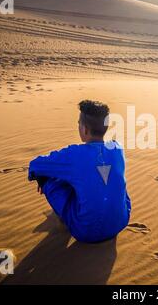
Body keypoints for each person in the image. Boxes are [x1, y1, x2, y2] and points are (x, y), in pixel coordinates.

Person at [28, 100, 131, 243]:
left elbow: (35, 165)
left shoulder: (73, 154)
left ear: (85, 129)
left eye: (79, 123)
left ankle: (65, 216)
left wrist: (39, 178)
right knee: (107, 179)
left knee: (50, 177)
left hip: (86, 232)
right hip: (120, 223)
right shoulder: (117, 148)